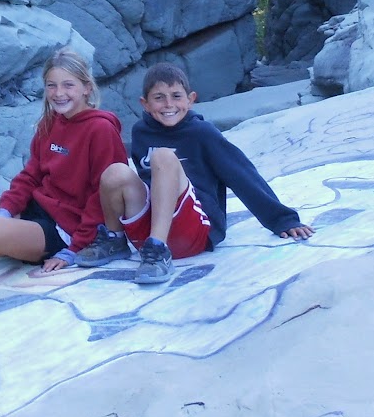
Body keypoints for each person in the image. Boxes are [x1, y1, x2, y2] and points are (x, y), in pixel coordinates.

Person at [76, 62, 314, 285]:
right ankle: (116, 240)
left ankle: (159, 248)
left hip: (194, 232)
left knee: (163, 156)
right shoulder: (141, 133)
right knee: (115, 172)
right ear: (145, 104)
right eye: (159, 98)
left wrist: (282, 219)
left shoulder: (202, 133)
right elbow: (145, 184)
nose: (169, 104)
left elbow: (241, 174)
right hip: (147, 236)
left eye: (176, 96)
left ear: (190, 100)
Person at [0, 48, 126, 274]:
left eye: (68, 85)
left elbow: (102, 197)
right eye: (51, 85)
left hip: (67, 225)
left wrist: (76, 248)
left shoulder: (101, 128)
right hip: (39, 205)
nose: (59, 93)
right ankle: (4, 241)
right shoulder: (50, 122)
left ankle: (5, 243)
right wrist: (6, 211)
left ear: (87, 88)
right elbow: (30, 176)